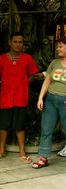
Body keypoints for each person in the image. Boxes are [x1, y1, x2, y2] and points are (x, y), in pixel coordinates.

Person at [0, 32, 39, 164]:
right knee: (3, 125)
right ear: (10, 43)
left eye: (20, 42)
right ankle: (1, 150)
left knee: (20, 126)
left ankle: (22, 151)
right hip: (6, 97)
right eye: (15, 42)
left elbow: (33, 74)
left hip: (21, 97)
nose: (18, 44)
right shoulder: (2, 59)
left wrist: (25, 82)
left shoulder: (27, 58)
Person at [32, 37, 66, 169]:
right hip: (51, 100)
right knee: (46, 129)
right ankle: (43, 157)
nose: (58, 49)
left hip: (64, 101)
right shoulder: (54, 63)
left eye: (61, 46)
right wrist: (41, 98)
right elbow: (47, 81)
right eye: (57, 46)